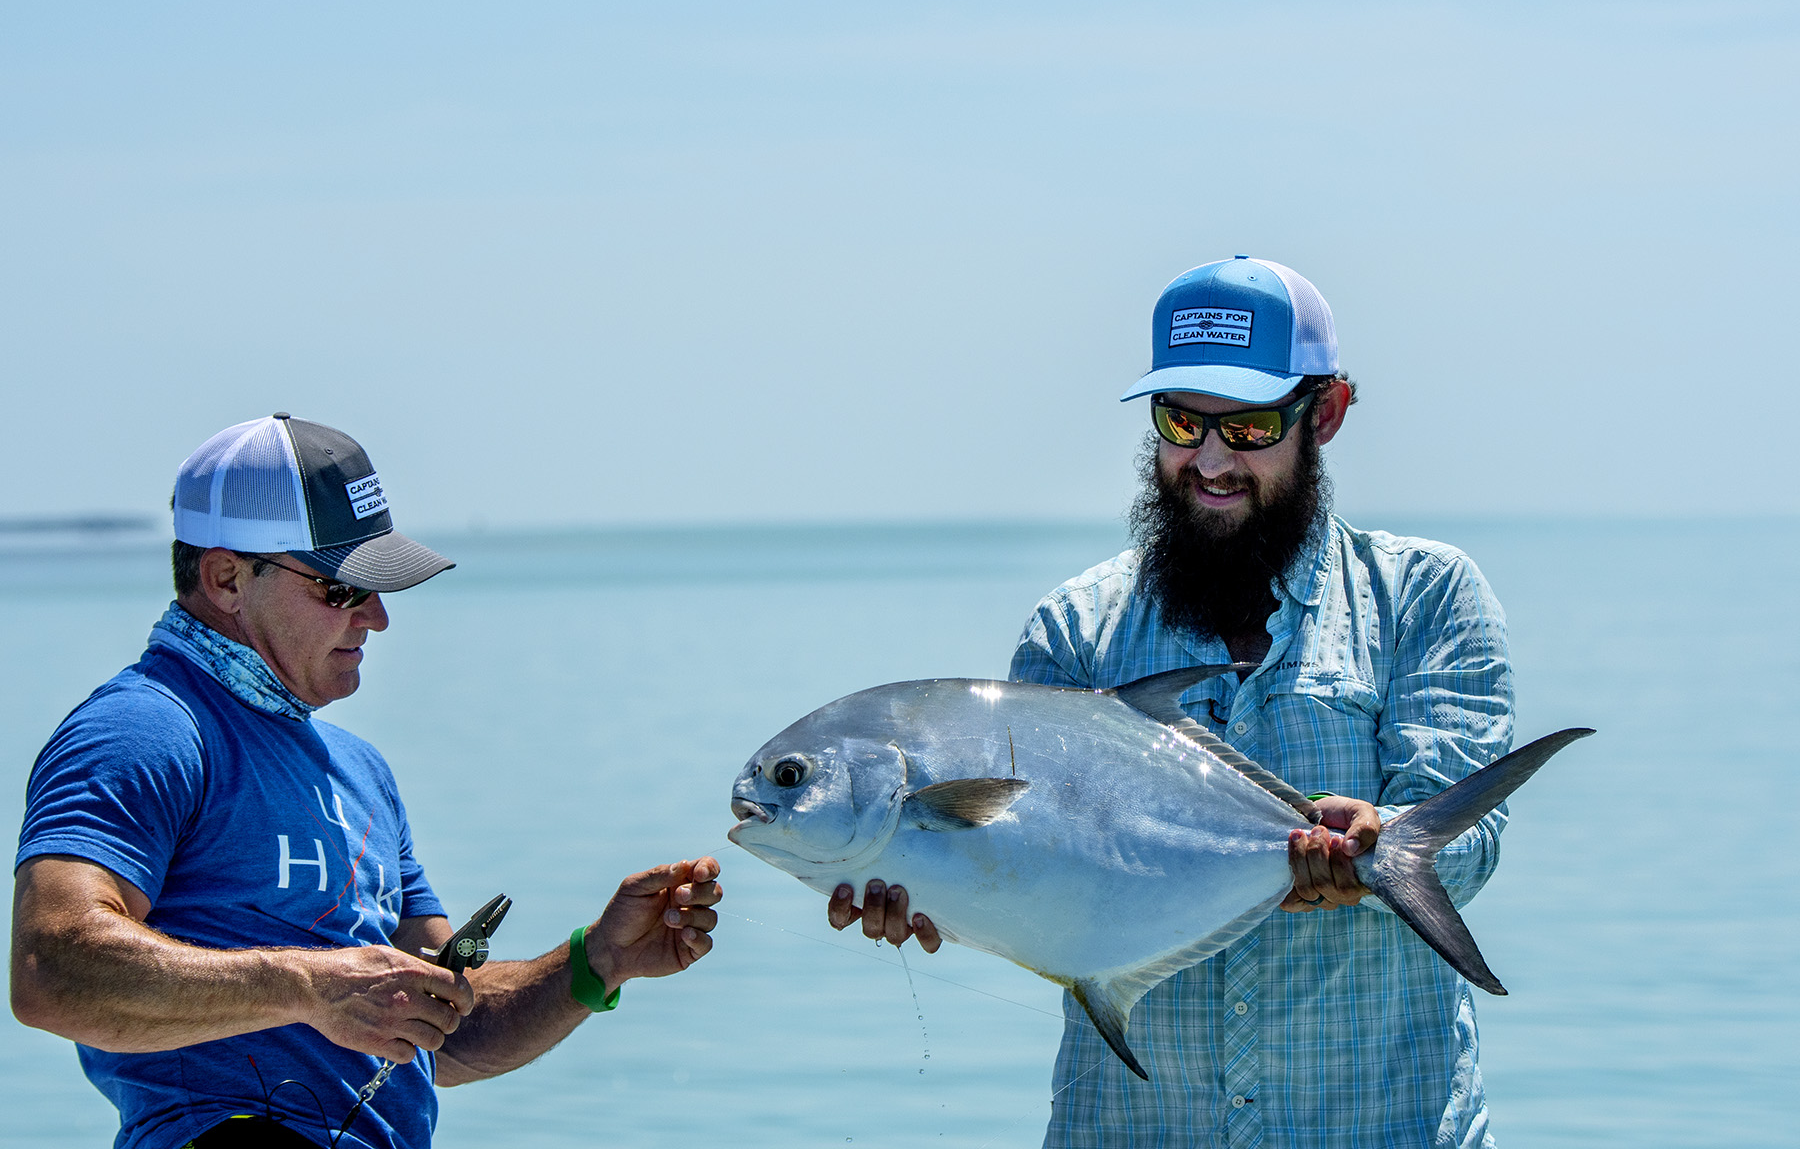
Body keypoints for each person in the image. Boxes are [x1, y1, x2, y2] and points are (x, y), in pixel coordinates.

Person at [827, 257, 1514, 1147]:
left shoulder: (1424, 598)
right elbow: (1037, 875)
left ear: (1328, 414)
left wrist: (1382, 841)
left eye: (1253, 425)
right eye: (1183, 421)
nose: (1213, 460)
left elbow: (1469, 849)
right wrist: (928, 888)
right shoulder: (1075, 630)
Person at [11, 414, 724, 1149]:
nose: (378, 618)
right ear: (226, 577)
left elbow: (449, 1032)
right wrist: (311, 988)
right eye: (340, 589)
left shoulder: (361, 771)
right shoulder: (144, 729)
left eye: (377, 589)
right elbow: (50, 967)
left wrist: (598, 960)